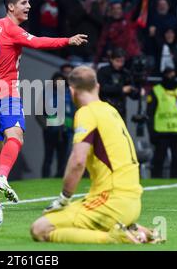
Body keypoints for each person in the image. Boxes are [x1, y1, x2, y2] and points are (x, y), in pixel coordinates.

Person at [0, 0, 88, 202]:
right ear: (11, 6)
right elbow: (37, 42)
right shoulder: (12, 29)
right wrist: (67, 41)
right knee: (16, 137)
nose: (28, 7)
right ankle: (2, 176)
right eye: (24, 3)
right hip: (6, 93)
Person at [30, 66, 161, 244]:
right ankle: (137, 231)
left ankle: (115, 237)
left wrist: (64, 198)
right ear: (97, 87)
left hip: (111, 202)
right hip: (132, 201)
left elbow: (78, 161)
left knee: (40, 228)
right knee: (74, 218)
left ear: (71, 90)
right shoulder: (111, 110)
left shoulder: (86, 112)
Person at [146, 68, 177, 178]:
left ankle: (175, 181)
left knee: (176, 159)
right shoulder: (157, 90)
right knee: (159, 159)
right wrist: (151, 131)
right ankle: (156, 180)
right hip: (161, 131)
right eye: (168, 74)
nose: (170, 77)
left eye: (172, 74)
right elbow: (150, 113)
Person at [36, 72, 71, 178]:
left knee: (63, 158)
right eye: (57, 81)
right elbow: (39, 113)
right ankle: (45, 178)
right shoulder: (47, 94)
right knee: (48, 157)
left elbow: (72, 111)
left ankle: (60, 178)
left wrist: (70, 125)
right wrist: (46, 126)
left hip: (65, 131)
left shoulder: (68, 94)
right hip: (50, 131)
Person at [97, 48, 139, 122]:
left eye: (122, 61)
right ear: (111, 59)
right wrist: (121, 89)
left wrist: (137, 90)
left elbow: (133, 95)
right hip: (105, 108)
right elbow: (102, 88)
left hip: (120, 110)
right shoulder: (103, 71)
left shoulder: (126, 73)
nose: (120, 64)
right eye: (117, 61)